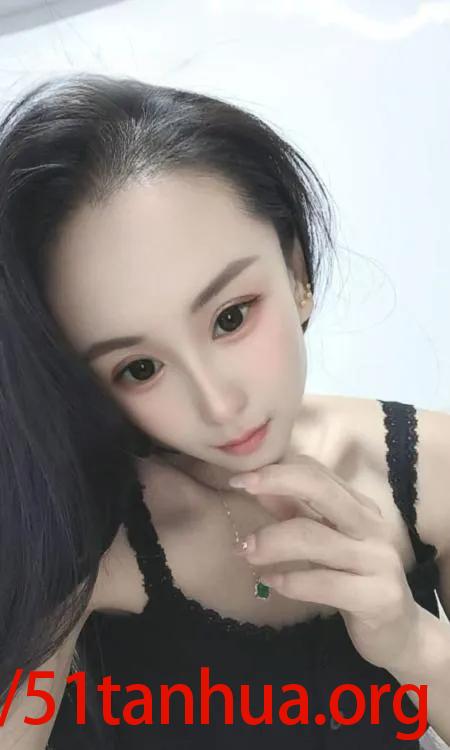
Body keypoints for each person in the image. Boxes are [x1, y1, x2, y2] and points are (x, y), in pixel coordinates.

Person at [0, 72, 449, 750]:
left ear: (296, 271)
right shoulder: (81, 536)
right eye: (140, 368)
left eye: (231, 317)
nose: (218, 404)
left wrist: (414, 643)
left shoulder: (432, 470)